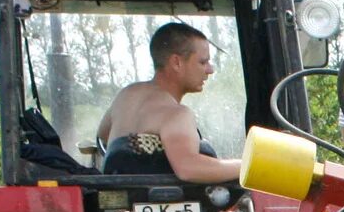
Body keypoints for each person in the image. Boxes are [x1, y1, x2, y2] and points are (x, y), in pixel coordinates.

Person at [95, 21, 241, 182]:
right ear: (176, 62)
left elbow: (103, 134)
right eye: (203, 62)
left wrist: (147, 151)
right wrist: (247, 166)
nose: (210, 69)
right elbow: (189, 168)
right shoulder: (176, 114)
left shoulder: (126, 95)